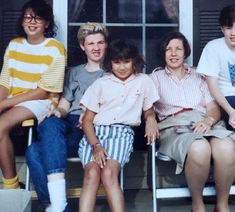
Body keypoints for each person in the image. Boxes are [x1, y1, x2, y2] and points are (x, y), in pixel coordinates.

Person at [26, 22, 108, 212]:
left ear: (106, 44)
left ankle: (53, 206)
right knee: (50, 122)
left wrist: (91, 116)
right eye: (90, 44)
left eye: (100, 43)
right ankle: (58, 205)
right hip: (69, 121)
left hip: (89, 129)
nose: (96, 48)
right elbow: (64, 105)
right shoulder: (75, 72)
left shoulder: (112, 72)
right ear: (82, 46)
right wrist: (57, 112)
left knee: (33, 151)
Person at [149, 31, 235, 212]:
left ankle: (222, 205)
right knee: (199, 147)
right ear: (162, 53)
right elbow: (147, 107)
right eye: (168, 49)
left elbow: (213, 108)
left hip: (205, 121)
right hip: (174, 125)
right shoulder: (154, 79)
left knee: (227, 146)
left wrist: (208, 121)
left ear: (185, 51)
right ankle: (198, 205)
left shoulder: (199, 76)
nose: (173, 54)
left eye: (178, 49)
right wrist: (149, 119)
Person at [78, 39, 159, 212]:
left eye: (126, 62)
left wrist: (151, 119)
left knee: (108, 174)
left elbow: (149, 110)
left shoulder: (143, 81)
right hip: (95, 134)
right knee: (92, 174)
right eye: (116, 62)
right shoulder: (100, 84)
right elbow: (87, 120)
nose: (122, 67)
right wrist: (95, 146)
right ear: (109, 63)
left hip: (121, 133)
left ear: (134, 61)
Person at [0, 0, 66, 190]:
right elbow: (5, 82)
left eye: (38, 17)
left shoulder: (55, 48)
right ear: (22, 21)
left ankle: (11, 187)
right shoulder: (14, 46)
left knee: (1, 125)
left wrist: (4, 105)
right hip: (14, 100)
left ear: (47, 23)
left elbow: (43, 91)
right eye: (28, 16)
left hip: (41, 101)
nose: (32, 21)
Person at [197, 5, 235, 130]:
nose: (233, 33)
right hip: (226, 99)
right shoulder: (213, 47)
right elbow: (212, 84)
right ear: (222, 29)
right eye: (229, 28)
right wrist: (231, 112)